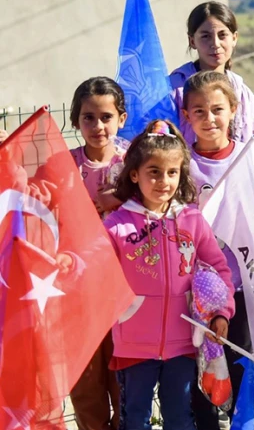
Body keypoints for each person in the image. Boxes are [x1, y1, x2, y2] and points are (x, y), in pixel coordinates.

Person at [104, 120, 235, 430]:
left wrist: (221, 313)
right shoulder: (116, 225)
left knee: (179, 418)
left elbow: (218, 267)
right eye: (154, 172)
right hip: (133, 343)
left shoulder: (191, 219)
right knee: (134, 419)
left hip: (183, 342)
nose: (164, 181)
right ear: (134, 174)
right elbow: (96, 274)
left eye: (172, 172)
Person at [180, 71, 253, 430]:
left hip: (243, 287)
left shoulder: (250, 158)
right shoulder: (179, 166)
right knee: (199, 375)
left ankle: (243, 424)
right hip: (192, 293)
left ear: (234, 110)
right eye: (199, 111)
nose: (209, 119)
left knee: (241, 366)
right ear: (186, 115)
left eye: (217, 109)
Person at [68, 77, 128, 430]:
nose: (97, 126)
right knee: (87, 386)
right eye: (88, 117)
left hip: (126, 293)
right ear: (76, 121)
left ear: (121, 117)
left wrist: (120, 197)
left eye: (106, 116)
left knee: (124, 384)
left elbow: (162, 201)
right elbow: (33, 201)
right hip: (78, 296)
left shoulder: (136, 163)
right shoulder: (63, 167)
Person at [169, 2, 254, 144]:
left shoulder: (243, 94)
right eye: (206, 36)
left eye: (222, 35)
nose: (215, 43)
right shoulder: (174, 89)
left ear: (234, 38)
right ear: (192, 41)